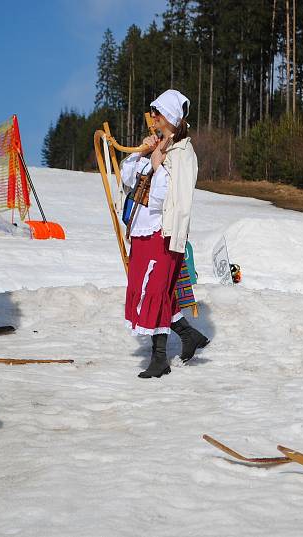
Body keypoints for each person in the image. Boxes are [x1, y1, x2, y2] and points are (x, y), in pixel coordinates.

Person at [120, 89, 209, 378]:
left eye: (157, 113)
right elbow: (127, 178)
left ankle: (159, 358)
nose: (153, 118)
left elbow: (168, 197)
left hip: (163, 232)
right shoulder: (159, 145)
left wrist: (157, 165)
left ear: (169, 116)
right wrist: (143, 154)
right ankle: (188, 335)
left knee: (156, 291)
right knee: (149, 290)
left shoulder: (182, 153)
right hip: (142, 230)